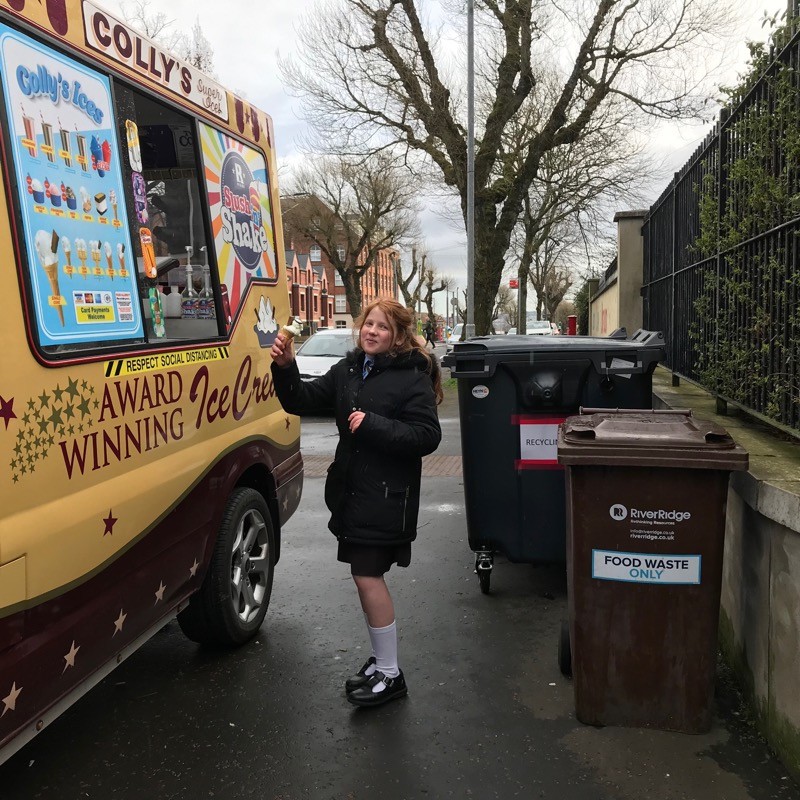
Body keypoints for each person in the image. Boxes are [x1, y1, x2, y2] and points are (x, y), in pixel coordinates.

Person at [270, 299, 443, 707]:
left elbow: (426, 436)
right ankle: (382, 660)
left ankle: (389, 673)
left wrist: (373, 425)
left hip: (386, 497)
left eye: (382, 327)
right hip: (352, 494)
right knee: (362, 576)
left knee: (368, 576)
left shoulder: (409, 378)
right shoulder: (348, 371)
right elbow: (299, 399)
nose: (372, 331)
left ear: (398, 336)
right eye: (369, 324)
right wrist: (284, 366)